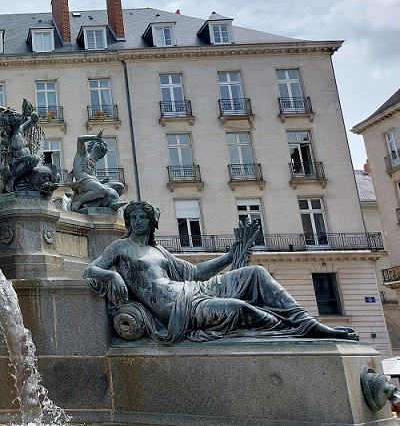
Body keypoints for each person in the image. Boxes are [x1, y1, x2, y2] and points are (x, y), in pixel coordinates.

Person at [83, 201, 358, 343]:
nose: (137, 221)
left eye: (142, 217)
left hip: (194, 290)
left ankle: (309, 323)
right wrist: (112, 274)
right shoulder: (121, 247)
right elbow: (90, 270)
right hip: (176, 307)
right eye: (133, 217)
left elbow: (197, 272)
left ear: (151, 222)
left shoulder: (161, 252)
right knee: (238, 308)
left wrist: (231, 254)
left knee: (256, 274)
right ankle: (296, 330)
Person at [63, 131, 125, 211]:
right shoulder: (82, 154)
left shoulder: (93, 162)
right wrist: (95, 137)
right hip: (83, 182)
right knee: (101, 190)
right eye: (100, 150)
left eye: (101, 153)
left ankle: (112, 202)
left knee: (119, 186)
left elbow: (93, 179)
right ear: (94, 146)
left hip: (92, 182)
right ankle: (79, 201)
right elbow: (80, 139)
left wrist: (102, 182)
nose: (100, 155)